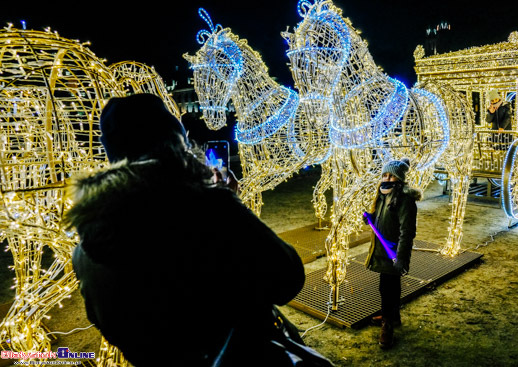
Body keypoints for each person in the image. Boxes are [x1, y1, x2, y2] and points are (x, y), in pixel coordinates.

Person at [63, 94, 329, 366]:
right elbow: (287, 279)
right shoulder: (209, 210)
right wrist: (229, 204)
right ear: (176, 144)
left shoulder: (85, 251)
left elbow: (113, 327)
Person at [363, 158, 422, 349]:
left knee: (389, 289)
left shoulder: (405, 200)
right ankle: (392, 316)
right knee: (386, 286)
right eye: (385, 175)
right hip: (381, 250)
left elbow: (407, 232)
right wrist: (371, 218)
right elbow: (383, 219)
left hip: (393, 253)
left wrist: (402, 257)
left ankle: (387, 326)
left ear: (400, 179)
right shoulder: (382, 195)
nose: (387, 178)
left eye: (392, 175)